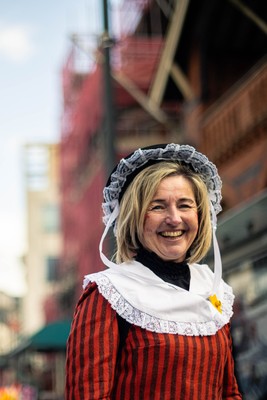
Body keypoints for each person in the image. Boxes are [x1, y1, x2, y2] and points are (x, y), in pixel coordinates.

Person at [65, 143, 242, 399]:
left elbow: (229, 392)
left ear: (200, 215)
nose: (174, 218)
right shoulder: (108, 294)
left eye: (184, 205)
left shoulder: (213, 289)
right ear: (135, 216)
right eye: (158, 206)